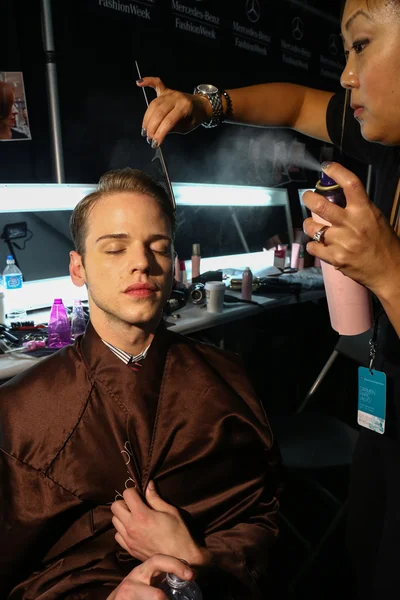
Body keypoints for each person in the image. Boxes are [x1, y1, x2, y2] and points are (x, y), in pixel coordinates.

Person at [135, 1, 400, 597]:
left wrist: (386, 269)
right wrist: (206, 106)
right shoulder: (385, 142)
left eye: (361, 46)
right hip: (384, 407)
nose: (346, 75)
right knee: (363, 545)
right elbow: (300, 104)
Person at [0, 168, 281, 599]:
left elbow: (265, 522)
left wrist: (199, 561)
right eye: (115, 248)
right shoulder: (20, 414)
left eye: (160, 248)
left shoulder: (230, 383)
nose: (142, 263)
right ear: (78, 267)